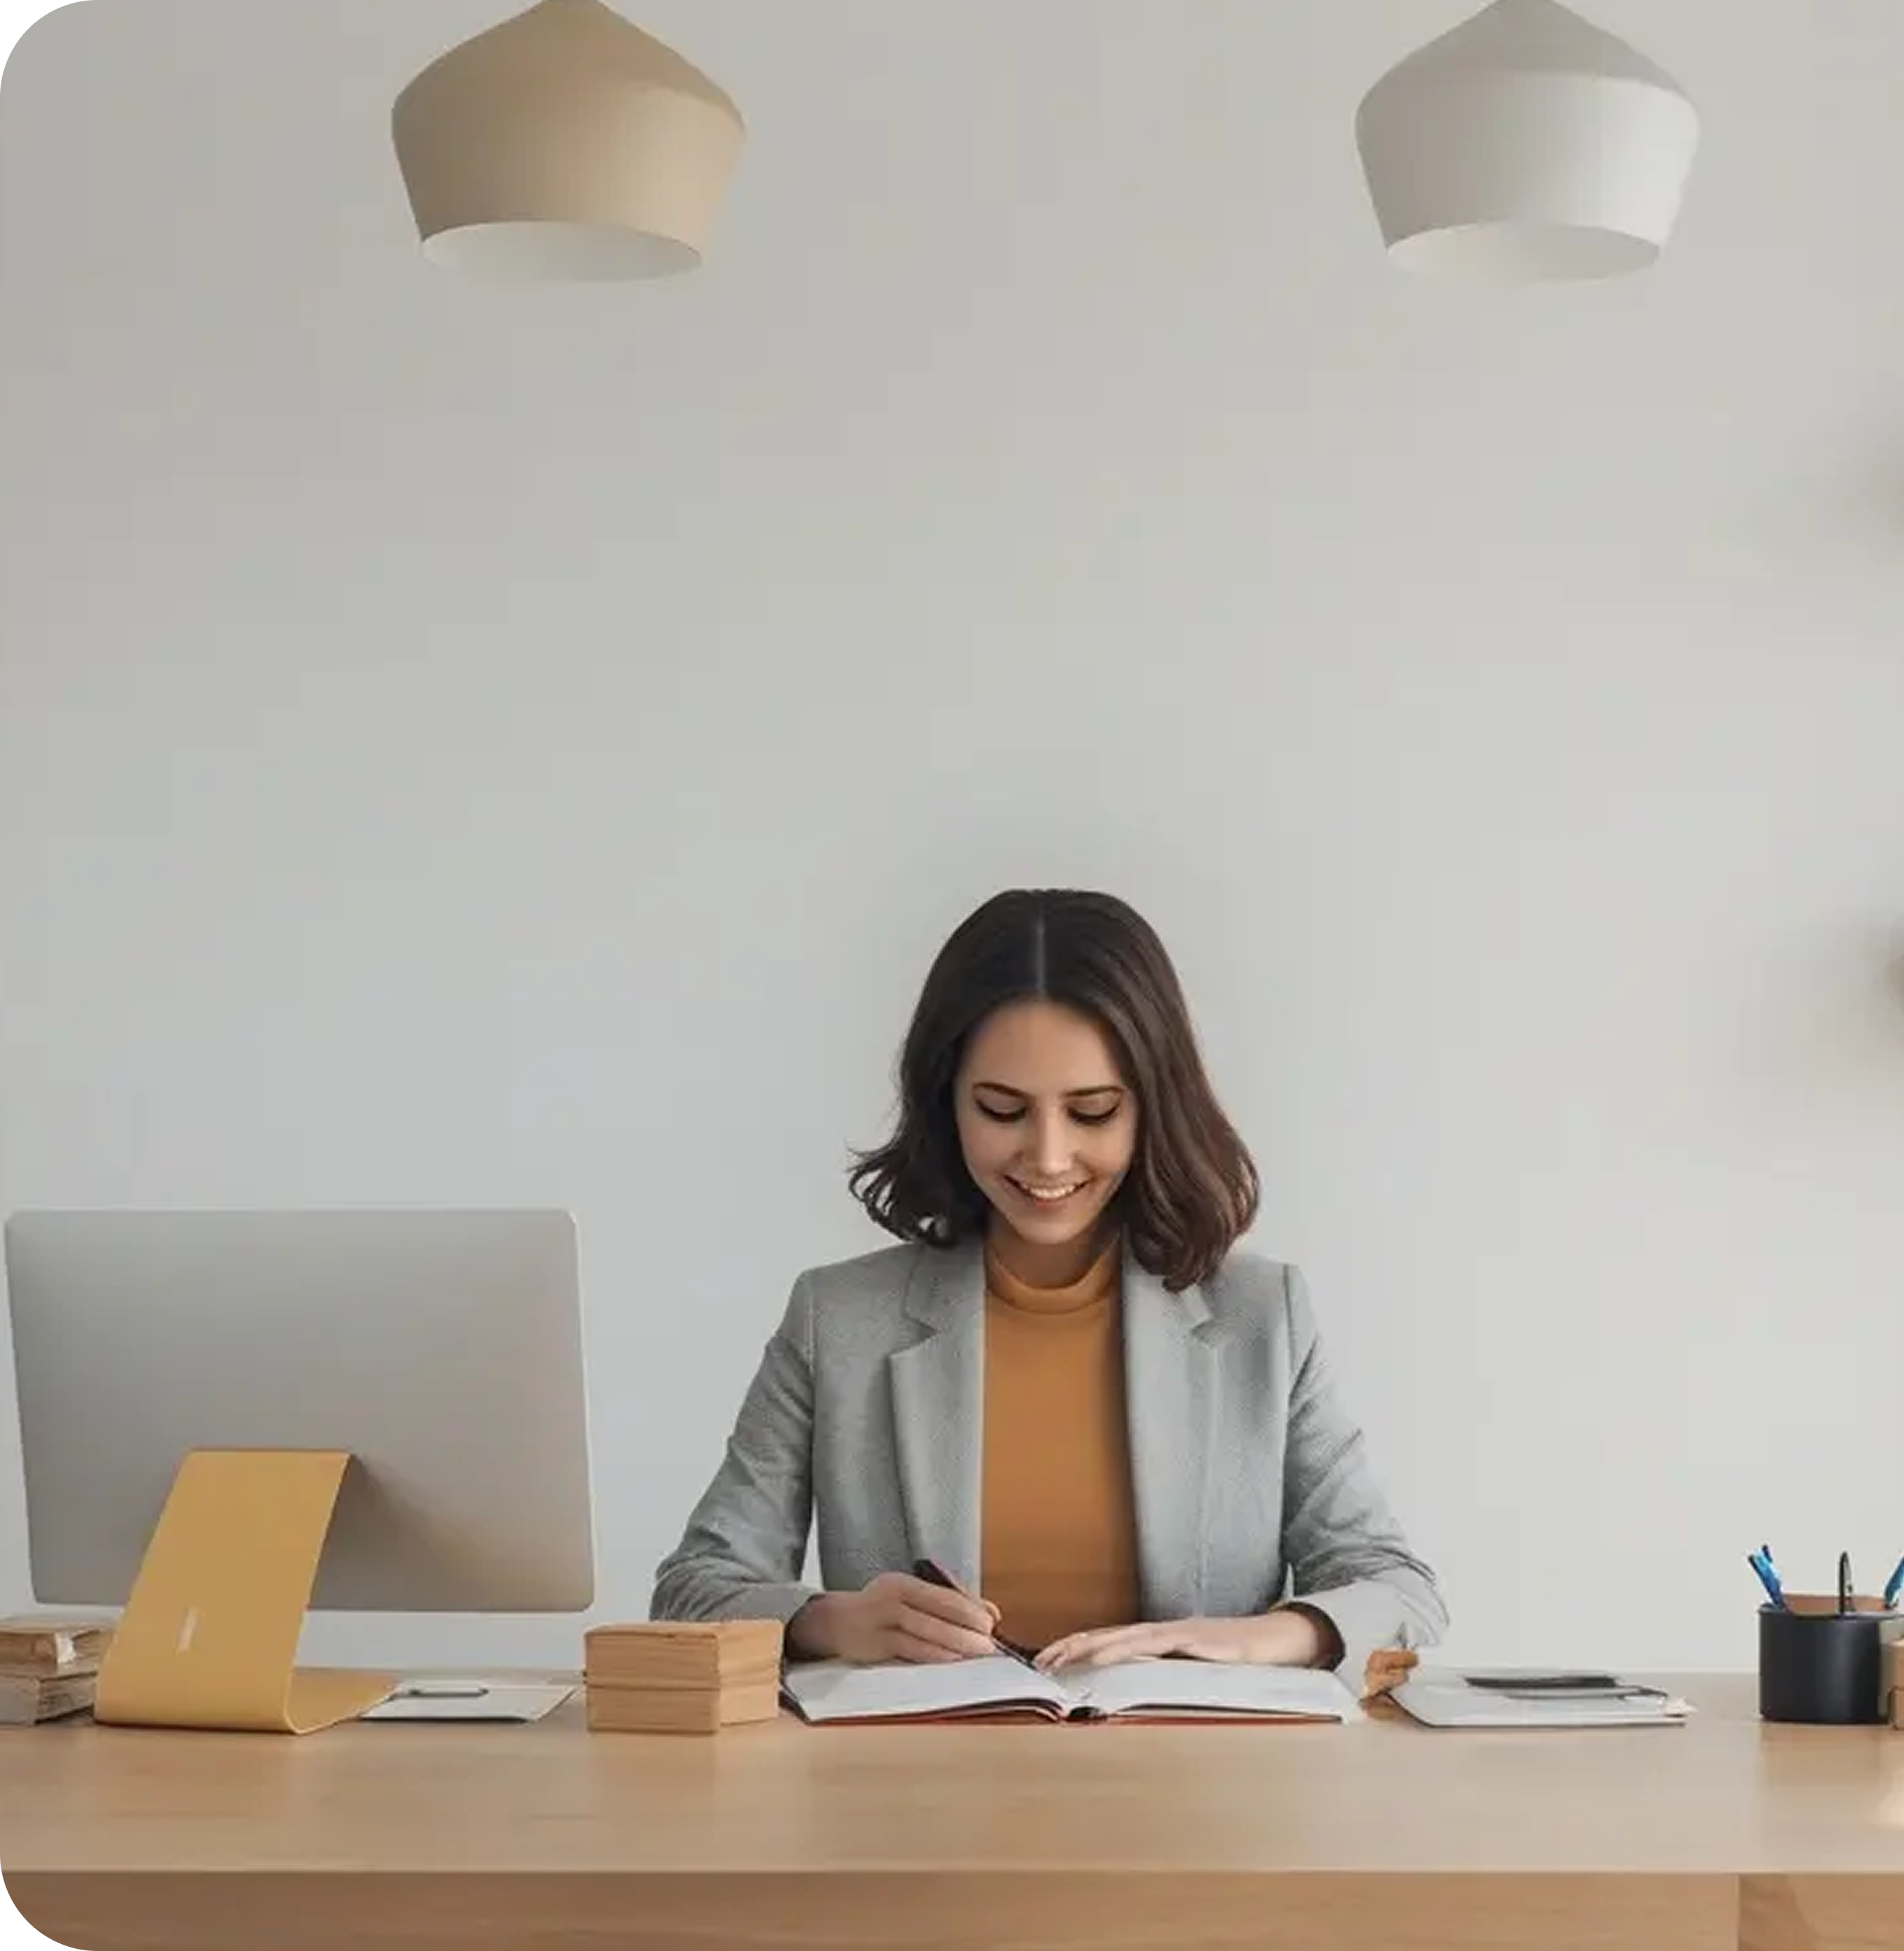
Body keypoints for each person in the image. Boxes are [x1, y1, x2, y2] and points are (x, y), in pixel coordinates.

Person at [650, 888, 1446, 1690]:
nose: (1048, 1156)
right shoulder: (838, 1318)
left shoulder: (1262, 1317)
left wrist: (1252, 1639)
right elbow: (692, 1591)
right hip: (913, 1766)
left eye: (1091, 1112)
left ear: (1151, 1107)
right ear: (945, 1100)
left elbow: (1395, 1588)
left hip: (1189, 1763)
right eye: (1001, 1109)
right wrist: (831, 1621)